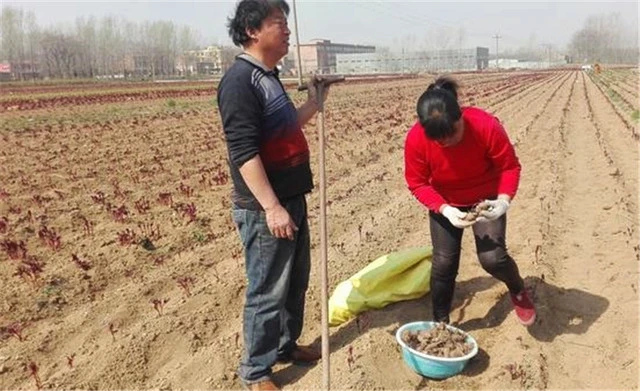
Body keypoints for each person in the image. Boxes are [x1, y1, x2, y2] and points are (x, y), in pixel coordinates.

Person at [217, 1, 329, 390]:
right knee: (267, 289)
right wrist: (272, 207)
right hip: (266, 208)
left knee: (295, 280)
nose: (287, 30)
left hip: (289, 198)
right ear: (252, 30)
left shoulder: (267, 76)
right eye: (278, 23)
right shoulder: (239, 82)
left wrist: (314, 103)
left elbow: (284, 127)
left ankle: (284, 345)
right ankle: (256, 371)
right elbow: (244, 152)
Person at [404, 76, 536, 327]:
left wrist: (503, 201)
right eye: (439, 141)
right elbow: (417, 182)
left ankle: (518, 289)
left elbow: (509, 167)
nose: (448, 142)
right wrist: (445, 209)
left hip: (484, 199)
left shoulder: (485, 126)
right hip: (446, 201)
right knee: (443, 263)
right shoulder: (416, 140)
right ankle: (440, 322)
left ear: (460, 116)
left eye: (453, 133)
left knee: (493, 258)